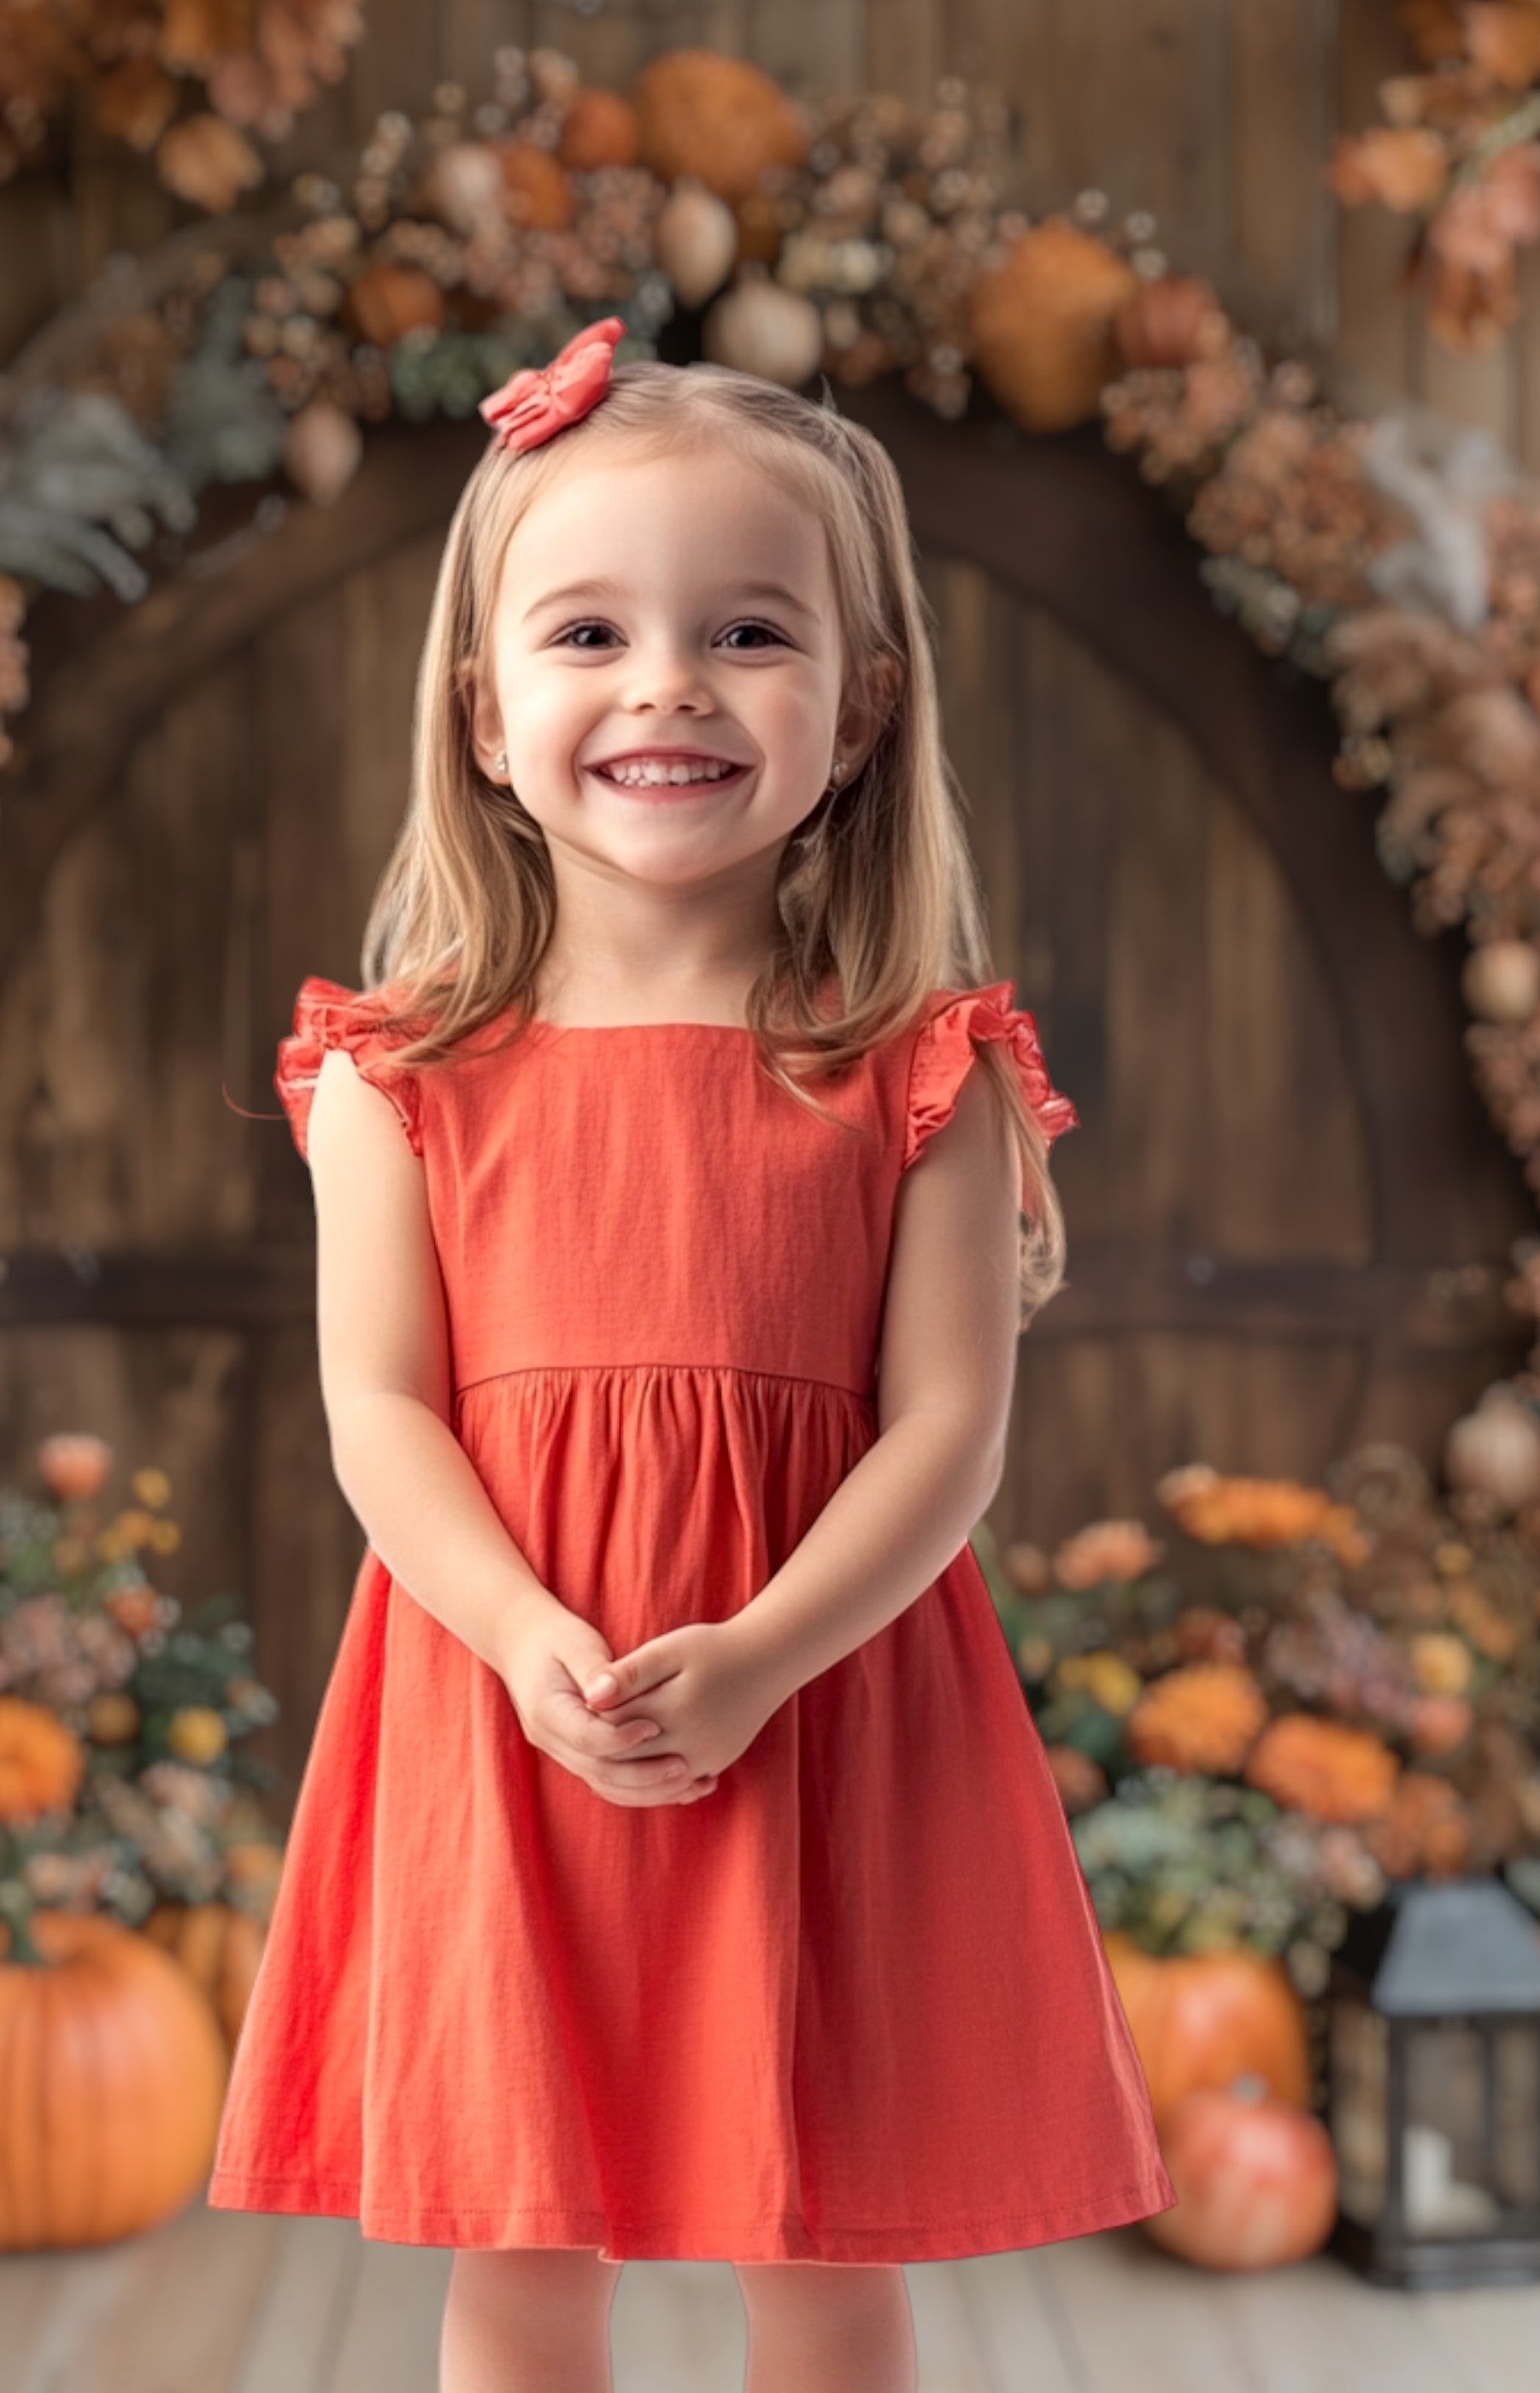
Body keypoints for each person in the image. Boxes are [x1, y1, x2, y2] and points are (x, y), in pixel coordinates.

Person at [209, 317, 1169, 2392]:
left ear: (860, 700)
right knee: (523, 2241)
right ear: (481, 713)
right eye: (585, 633)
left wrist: (755, 1653)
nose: (663, 684)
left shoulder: (921, 1072)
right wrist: (524, 1631)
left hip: (816, 1701)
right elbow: (379, 1408)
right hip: (507, 1696)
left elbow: (944, 1436)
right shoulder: (399, 1078)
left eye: (744, 630)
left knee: (819, 2234)